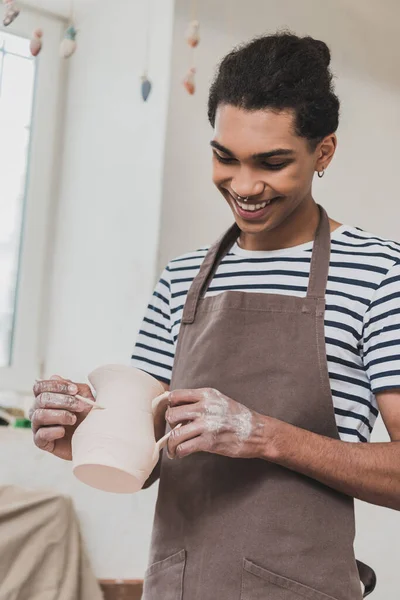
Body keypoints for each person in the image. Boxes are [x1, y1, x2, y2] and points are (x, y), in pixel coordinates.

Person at [31, 32, 400, 598]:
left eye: (272, 163)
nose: (245, 186)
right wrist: (83, 437)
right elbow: (150, 454)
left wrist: (266, 436)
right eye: (225, 158)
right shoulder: (183, 278)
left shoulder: (377, 274)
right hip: (179, 585)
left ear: (324, 152)